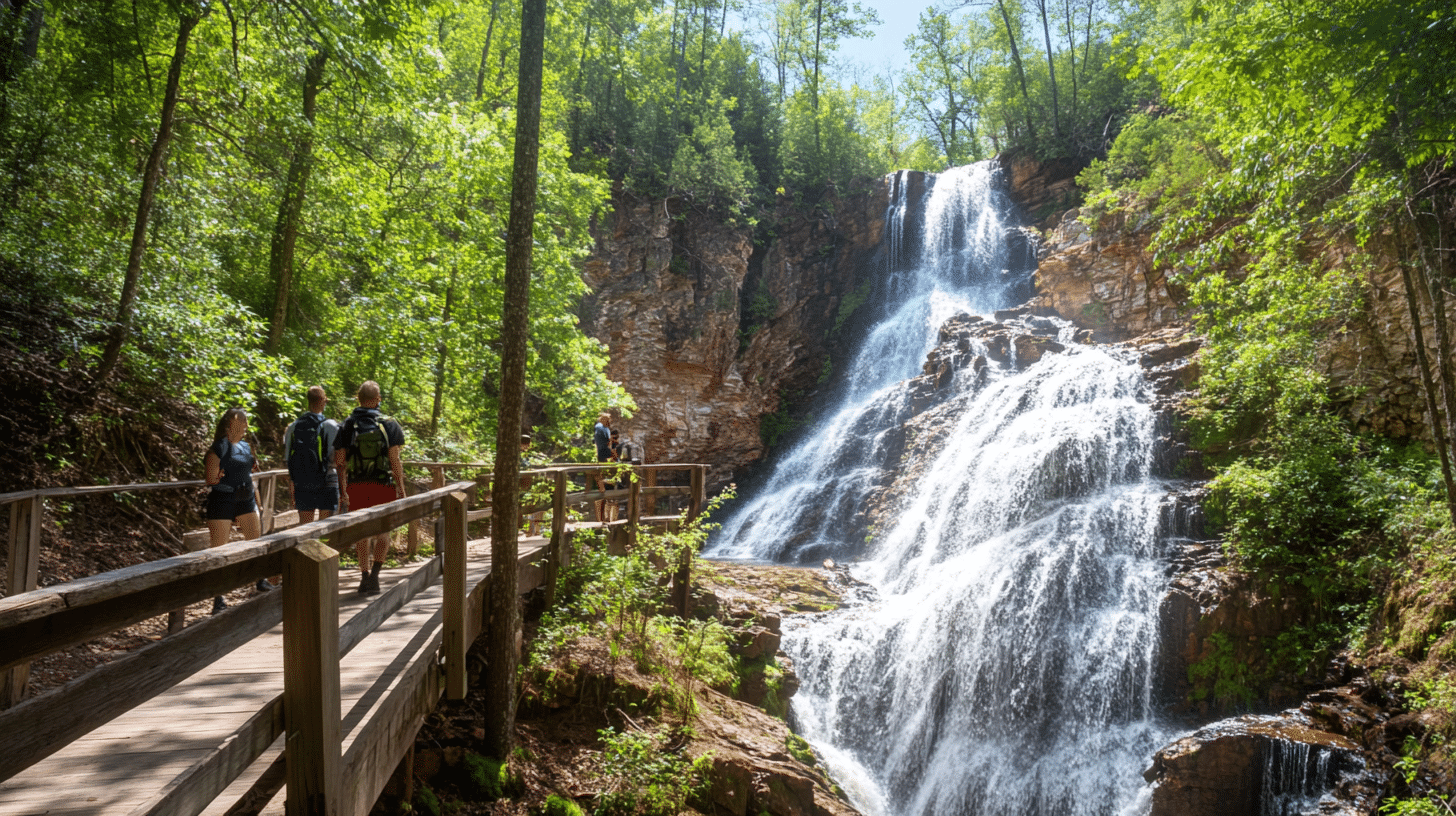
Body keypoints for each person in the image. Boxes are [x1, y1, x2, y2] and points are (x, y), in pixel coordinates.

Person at [334, 381, 406, 596]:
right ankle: (375, 576)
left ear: (358, 398)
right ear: (378, 399)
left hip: (356, 484)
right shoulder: (389, 424)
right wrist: (401, 487)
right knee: (384, 531)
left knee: (362, 533)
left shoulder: (348, 425)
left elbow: (339, 461)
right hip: (383, 484)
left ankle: (364, 575)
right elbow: (395, 460)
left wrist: (343, 489)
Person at [203, 407, 265, 613]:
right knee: (218, 550)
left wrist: (258, 501)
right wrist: (218, 474)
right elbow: (210, 477)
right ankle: (217, 598)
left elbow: (250, 475)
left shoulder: (246, 447)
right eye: (243, 421)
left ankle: (259, 581)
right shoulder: (218, 447)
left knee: (256, 542)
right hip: (222, 499)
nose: (246, 425)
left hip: (245, 499)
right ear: (231, 423)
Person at [283, 385, 340, 524]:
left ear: (308, 401)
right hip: (328, 480)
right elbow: (338, 458)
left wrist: (292, 486)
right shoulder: (331, 425)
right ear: (322, 401)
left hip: (302, 482)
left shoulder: (293, 427)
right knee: (326, 528)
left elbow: (288, 459)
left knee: (305, 528)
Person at [519, 433, 542, 536]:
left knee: (534, 503)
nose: (528, 447)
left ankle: (532, 530)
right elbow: (523, 467)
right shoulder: (516, 455)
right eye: (526, 445)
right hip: (520, 486)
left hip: (525, 485)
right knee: (532, 504)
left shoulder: (523, 456)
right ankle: (531, 530)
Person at [593, 412, 613, 522]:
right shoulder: (600, 427)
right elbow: (604, 442)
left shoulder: (605, 428)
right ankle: (602, 485)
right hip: (602, 453)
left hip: (605, 453)